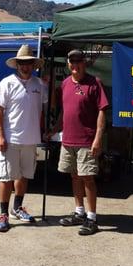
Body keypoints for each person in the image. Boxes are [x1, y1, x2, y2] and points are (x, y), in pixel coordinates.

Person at [47, 49, 109, 235]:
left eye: (79, 62)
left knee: (87, 178)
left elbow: (102, 111)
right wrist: (54, 130)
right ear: (68, 64)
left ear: (84, 63)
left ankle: (92, 218)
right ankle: (79, 212)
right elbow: (64, 113)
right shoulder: (65, 84)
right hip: (68, 140)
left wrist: (98, 138)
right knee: (74, 176)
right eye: (72, 62)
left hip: (87, 141)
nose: (76, 65)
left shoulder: (95, 83)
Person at [0, 44, 47, 232]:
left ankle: (17, 208)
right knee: (6, 177)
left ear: (33, 65)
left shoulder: (39, 85)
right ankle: (3, 214)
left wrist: (51, 85)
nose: (26, 66)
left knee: (24, 176)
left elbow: (47, 106)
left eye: (29, 63)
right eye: (22, 63)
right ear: (17, 64)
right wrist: (0, 136)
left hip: (31, 139)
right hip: (11, 139)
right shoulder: (6, 83)